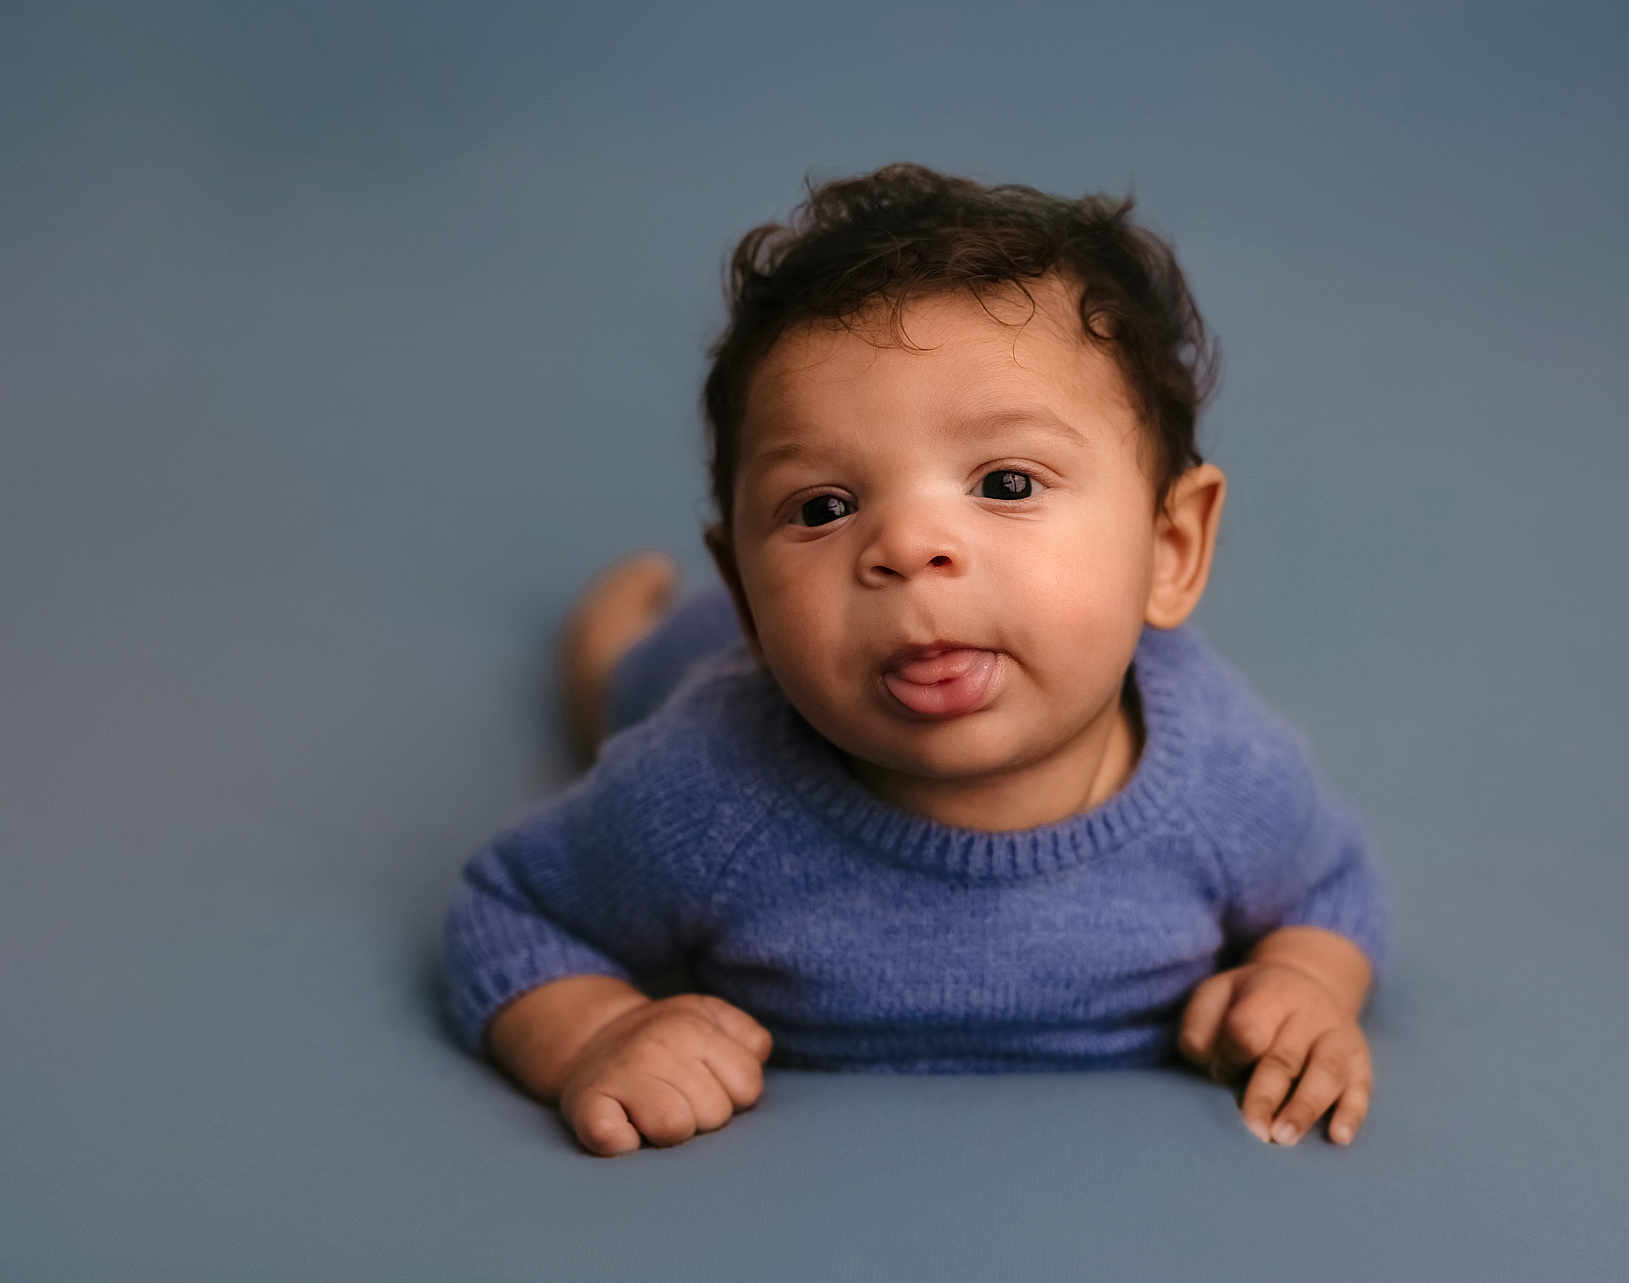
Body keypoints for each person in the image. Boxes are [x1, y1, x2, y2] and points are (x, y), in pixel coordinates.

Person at [442, 163, 1391, 1158]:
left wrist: (1307, 982)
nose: (904, 544)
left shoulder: (1225, 773)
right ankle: (611, 646)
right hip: (701, 676)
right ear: (748, 590)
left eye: (1007, 480)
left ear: (1171, 549)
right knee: (643, 685)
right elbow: (507, 913)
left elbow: (1332, 889)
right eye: (823, 507)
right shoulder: (699, 784)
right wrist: (596, 1031)